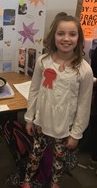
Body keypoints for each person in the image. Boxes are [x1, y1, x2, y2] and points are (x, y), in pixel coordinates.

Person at [22, 13, 94, 188]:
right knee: (35, 153)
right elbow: (34, 90)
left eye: (72, 34)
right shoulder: (43, 62)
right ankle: (27, 180)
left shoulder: (84, 70)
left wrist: (76, 133)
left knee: (59, 159)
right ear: (53, 36)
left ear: (79, 38)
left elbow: (84, 105)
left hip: (64, 126)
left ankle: (55, 183)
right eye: (61, 33)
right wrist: (29, 117)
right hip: (42, 122)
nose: (66, 38)